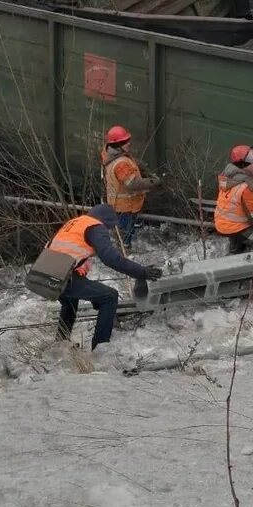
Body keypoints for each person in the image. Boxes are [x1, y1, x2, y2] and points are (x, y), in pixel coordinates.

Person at [49, 204, 161, 345]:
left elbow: (66, 253)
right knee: (109, 296)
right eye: (108, 227)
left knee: (70, 301)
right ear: (105, 221)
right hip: (63, 276)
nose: (107, 230)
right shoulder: (95, 226)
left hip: (46, 273)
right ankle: (100, 348)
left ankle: (60, 344)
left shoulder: (75, 223)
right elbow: (110, 258)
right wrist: (141, 272)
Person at [101, 125, 161, 253]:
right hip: (125, 208)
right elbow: (133, 184)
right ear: (118, 144)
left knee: (125, 232)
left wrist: (140, 166)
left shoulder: (114, 155)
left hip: (124, 206)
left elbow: (132, 164)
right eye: (125, 141)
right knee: (124, 238)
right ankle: (124, 256)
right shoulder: (121, 164)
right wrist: (153, 182)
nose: (129, 143)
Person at [214, 145, 253, 254]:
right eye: (252, 162)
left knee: (237, 240)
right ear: (243, 164)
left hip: (222, 223)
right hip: (236, 226)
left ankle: (234, 254)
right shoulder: (247, 186)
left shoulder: (229, 177)